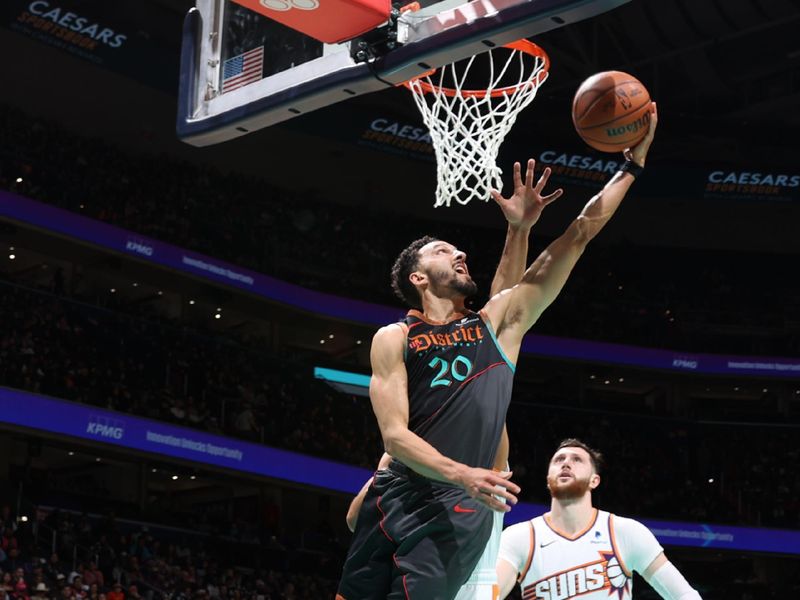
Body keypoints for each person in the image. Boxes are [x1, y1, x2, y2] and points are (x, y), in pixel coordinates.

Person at [337, 103, 658, 600]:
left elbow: (577, 236)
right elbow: (397, 436)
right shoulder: (394, 338)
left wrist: (630, 168)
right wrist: (401, 478)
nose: (459, 252)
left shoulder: (495, 328)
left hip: (454, 506)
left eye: (458, 249)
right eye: (443, 251)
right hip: (399, 491)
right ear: (417, 278)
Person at [497, 438, 701, 599]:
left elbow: (684, 594)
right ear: (548, 479)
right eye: (559, 460)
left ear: (595, 480)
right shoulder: (519, 536)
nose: (566, 463)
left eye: (577, 460)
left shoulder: (625, 532)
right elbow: (489, 594)